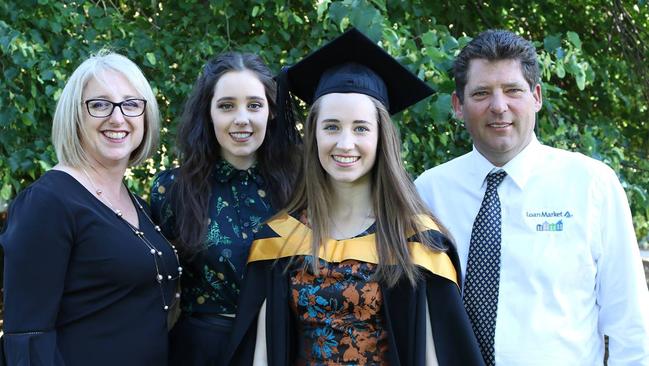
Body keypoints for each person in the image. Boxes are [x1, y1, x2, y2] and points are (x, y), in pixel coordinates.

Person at [225, 28, 484, 366]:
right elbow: (262, 351)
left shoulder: (415, 240)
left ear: (381, 138)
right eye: (331, 127)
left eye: (361, 128)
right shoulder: (280, 238)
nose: (345, 143)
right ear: (314, 134)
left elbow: (433, 355)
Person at [415, 29, 649, 365]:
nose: (499, 106)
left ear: (536, 96)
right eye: (481, 93)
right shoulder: (429, 192)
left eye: (512, 90)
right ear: (458, 105)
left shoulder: (591, 185)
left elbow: (631, 324)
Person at [0, 51, 180, 365]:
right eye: (99, 104)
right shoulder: (47, 202)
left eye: (131, 104)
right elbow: (28, 337)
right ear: (75, 115)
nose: (118, 117)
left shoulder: (134, 201)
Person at [149, 52, 301, 365]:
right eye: (227, 105)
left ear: (272, 112)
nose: (241, 118)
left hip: (282, 345)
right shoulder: (172, 189)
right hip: (201, 352)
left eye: (254, 105)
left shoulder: (301, 187)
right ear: (208, 112)